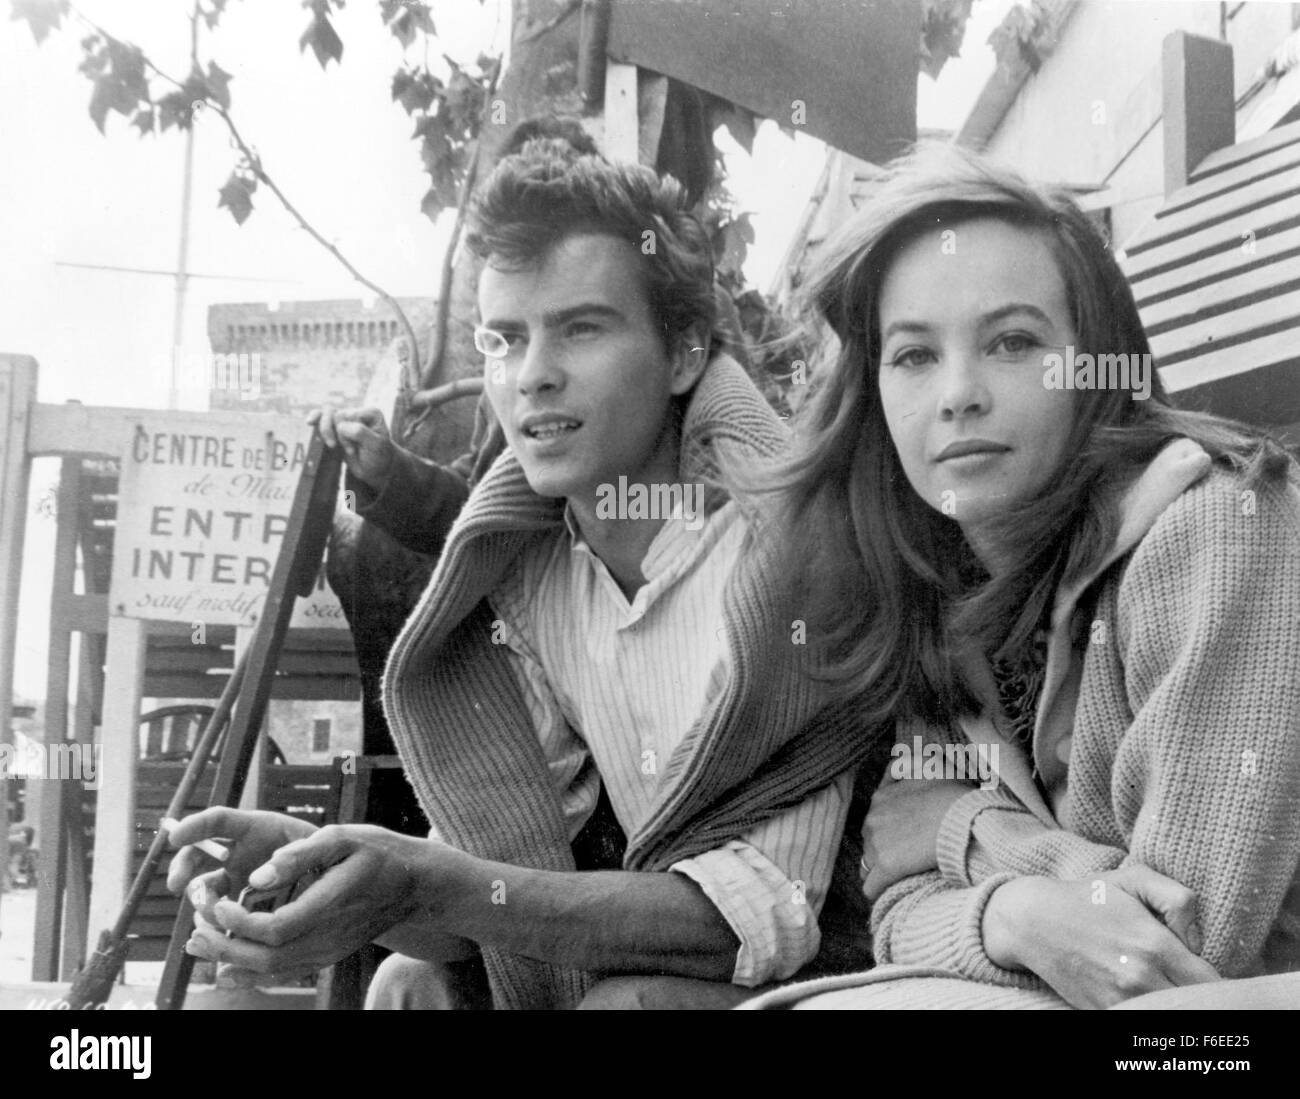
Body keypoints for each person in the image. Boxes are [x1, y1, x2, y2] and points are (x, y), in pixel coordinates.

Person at [168, 138, 880, 1010]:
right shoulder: (528, 569)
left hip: (870, 962)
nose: (534, 375)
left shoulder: (783, 557)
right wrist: (322, 862)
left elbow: (763, 916)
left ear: (687, 353)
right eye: (506, 338)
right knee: (407, 984)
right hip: (683, 956)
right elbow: (485, 896)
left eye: (581, 327)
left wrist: (431, 883)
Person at [741, 144, 1300, 1009]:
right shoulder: (939, 592)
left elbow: (1180, 949)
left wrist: (961, 834)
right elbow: (894, 899)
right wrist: (1015, 913)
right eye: (916, 355)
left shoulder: (1221, 525)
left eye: (1011, 341)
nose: (959, 393)